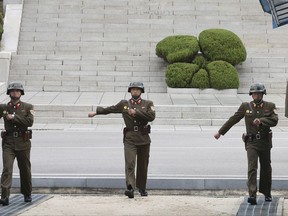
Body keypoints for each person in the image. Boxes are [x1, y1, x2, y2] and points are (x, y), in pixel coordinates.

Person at [214, 83, 278, 205]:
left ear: (262, 94)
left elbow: (275, 120)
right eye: (254, 93)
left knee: (266, 168)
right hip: (251, 142)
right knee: (252, 167)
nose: (256, 95)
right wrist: (220, 132)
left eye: (258, 93)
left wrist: (262, 121)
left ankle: (267, 192)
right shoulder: (245, 106)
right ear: (251, 94)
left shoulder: (269, 106)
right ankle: (252, 194)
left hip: (265, 142)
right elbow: (233, 119)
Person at [88, 82, 155, 198]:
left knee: (143, 165)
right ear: (130, 91)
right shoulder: (124, 104)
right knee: (130, 163)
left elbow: (151, 116)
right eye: (133, 89)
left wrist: (136, 112)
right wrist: (96, 112)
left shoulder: (148, 103)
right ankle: (130, 187)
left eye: (138, 90)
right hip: (130, 138)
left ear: (141, 91)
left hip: (143, 138)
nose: (135, 91)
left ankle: (142, 187)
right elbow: (111, 109)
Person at [0, 82, 34, 206]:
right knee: (7, 169)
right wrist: (5, 114)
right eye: (13, 91)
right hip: (8, 142)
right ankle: (4, 196)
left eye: (18, 91)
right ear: (9, 93)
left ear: (21, 93)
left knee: (25, 169)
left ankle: (27, 193)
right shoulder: (4, 107)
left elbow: (29, 122)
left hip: (23, 142)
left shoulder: (28, 107)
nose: (15, 93)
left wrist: (13, 117)